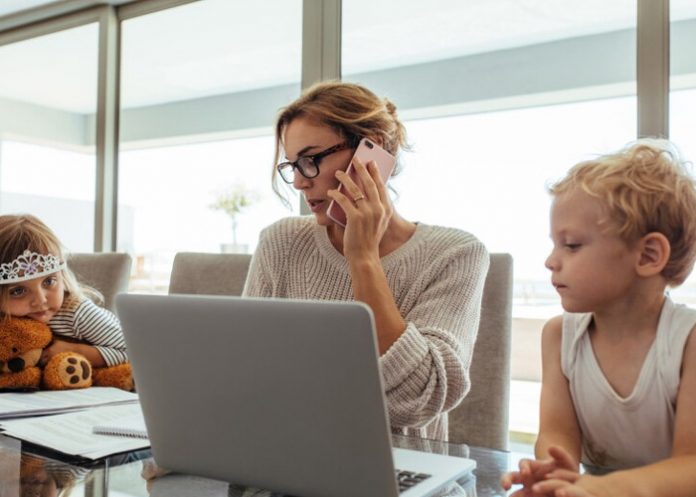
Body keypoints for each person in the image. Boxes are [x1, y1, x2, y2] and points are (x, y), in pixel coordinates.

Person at [242, 81, 489, 441]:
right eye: (292, 165)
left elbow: (416, 400)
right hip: (289, 453)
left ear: (372, 149)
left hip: (397, 467)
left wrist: (363, 259)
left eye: (310, 161)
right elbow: (248, 372)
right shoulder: (282, 242)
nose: (298, 182)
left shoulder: (455, 254)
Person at [502, 139, 696, 497]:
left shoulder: (688, 343)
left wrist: (606, 489)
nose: (550, 261)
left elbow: (691, 465)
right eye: (554, 244)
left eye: (571, 245)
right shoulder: (560, 335)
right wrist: (555, 471)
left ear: (648, 255)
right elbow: (558, 432)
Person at [0, 214, 127, 368]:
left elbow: (134, 351)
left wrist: (76, 351)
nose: (40, 300)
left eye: (49, 281)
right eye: (18, 290)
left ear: (62, 276)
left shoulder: (78, 314)